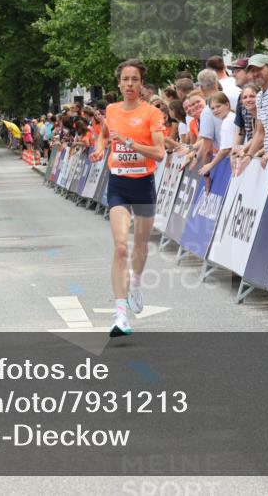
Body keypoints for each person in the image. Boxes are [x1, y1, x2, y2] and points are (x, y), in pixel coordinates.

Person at [90, 59, 165, 337]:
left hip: (144, 184)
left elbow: (159, 153)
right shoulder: (110, 110)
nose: (130, 84)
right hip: (118, 183)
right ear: (119, 83)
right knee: (121, 247)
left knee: (140, 247)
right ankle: (120, 316)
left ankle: (136, 282)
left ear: (141, 84)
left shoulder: (151, 114)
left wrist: (132, 144)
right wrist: (100, 149)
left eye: (135, 79)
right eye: (126, 79)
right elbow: (104, 135)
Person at [237, 53, 268, 174]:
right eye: (252, 70)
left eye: (259, 69)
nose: (255, 73)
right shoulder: (259, 97)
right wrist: (248, 156)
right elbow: (260, 133)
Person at [198, 92, 236, 178]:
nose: (215, 110)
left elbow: (226, 149)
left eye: (218, 106)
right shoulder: (230, 118)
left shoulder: (228, 121)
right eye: (212, 108)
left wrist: (210, 165)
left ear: (227, 105)